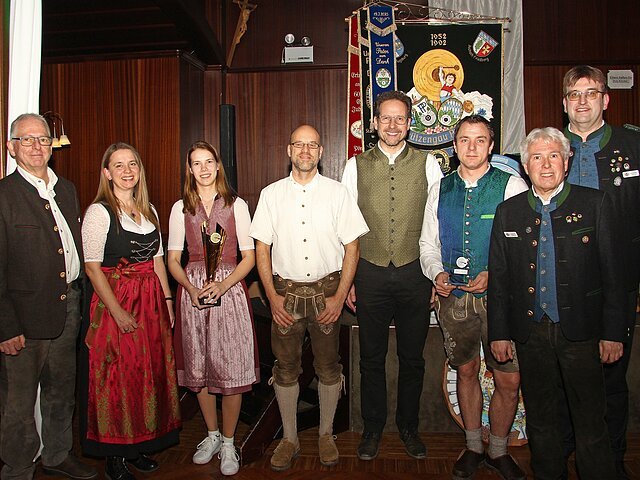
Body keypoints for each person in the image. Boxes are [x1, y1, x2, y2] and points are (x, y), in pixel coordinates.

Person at [488, 127, 626, 479]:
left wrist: (614, 333)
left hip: (582, 332)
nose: (546, 165)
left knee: (591, 420)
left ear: (567, 161)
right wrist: (499, 333)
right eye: (537, 157)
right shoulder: (508, 212)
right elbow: (500, 279)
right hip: (530, 333)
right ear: (525, 165)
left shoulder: (595, 204)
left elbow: (614, 275)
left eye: (553, 156)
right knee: (541, 419)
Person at [250, 125, 368, 471]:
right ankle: (289, 438)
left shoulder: (337, 194)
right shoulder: (270, 194)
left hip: (328, 293)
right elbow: (261, 248)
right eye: (299, 144)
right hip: (284, 295)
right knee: (285, 367)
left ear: (321, 152)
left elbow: (353, 247)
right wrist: (271, 297)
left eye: (312, 145)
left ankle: (326, 434)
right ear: (288, 150)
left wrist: (340, 296)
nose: (305, 151)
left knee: (329, 366)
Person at [419, 115, 528, 480]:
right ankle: (473, 447)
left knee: (508, 378)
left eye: (480, 140)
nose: (471, 147)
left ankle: (498, 450)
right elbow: (427, 243)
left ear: (491, 146)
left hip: (501, 300)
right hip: (454, 300)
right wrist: (436, 272)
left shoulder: (511, 184)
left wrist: (496, 274)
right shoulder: (441, 188)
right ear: (454, 146)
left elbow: (524, 243)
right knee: (465, 370)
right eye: (464, 139)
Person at [342, 90, 442, 460]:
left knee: (412, 358)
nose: (393, 125)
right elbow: (345, 227)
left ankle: (409, 427)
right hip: (369, 272)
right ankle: (372, 428)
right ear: (374, 123)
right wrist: (348, 279)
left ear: (410, 123)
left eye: (400, 118)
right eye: (386, 118)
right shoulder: (355, 165)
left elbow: (437, 224)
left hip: (416, 272)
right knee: (371, 358)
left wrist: (435, 274)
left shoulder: (429, 164)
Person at [0, 114, 97, 480]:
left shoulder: (66, 189)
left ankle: (57, 456)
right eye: (26, 140)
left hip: (68, 309)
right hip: (22, 320)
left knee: (61, 392)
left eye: (43, 139)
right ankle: (18, 468)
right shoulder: (4, 195)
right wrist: (6, 326)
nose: (36, 146)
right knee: (18, 404)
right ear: (11, 147)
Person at [81, 142, 181, 480]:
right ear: (107, 173)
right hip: (117, 300)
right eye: (119, 165)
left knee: (146, 373)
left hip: (150, 302)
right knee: (117, 377)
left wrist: (167, 301)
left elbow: (157, 261)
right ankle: (115, 455)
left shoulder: (148, 209)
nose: (127, 171)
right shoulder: (99, 212)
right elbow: (92, 268)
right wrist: (119, 313)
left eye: (132, 164)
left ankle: (138, 445)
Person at [562, 65, 639, 478]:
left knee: (612, 378)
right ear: (564, 103)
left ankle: (612, 461)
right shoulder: (549, 146)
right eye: (574, 94)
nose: (582, 101)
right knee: (563, 379)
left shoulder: (633, 144)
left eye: (591, 93)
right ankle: (565, 457)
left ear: (605, 99)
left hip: (616, 283)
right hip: (562, 284)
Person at [167, 141, 258, 476]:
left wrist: (223, 284)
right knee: (199, 365)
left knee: (231, 366)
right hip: (193, 291)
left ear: (218, 166)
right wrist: (190, 289)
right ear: (189, 169)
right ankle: (212, 434)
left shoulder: (237, 205)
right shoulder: (181, 208)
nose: (203, 169)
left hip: (229, 290)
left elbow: (249, 257)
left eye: (209, 162)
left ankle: (230, 442)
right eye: (197, 163)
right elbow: (172, 259)